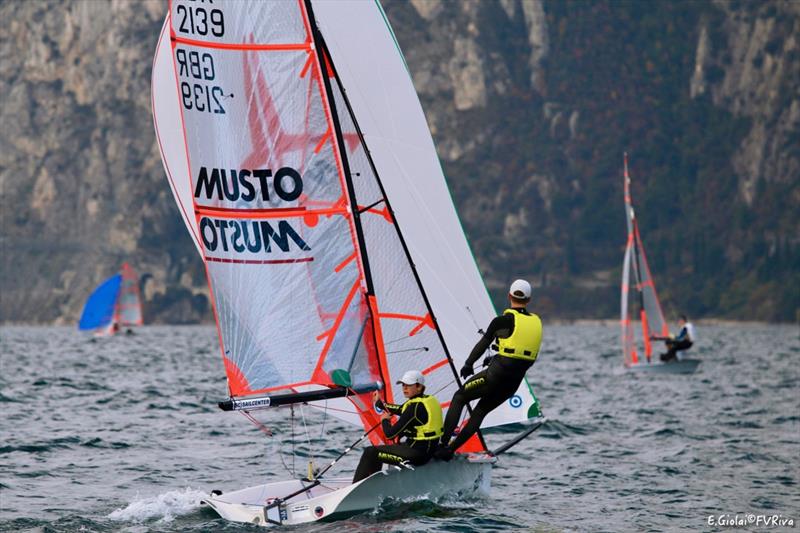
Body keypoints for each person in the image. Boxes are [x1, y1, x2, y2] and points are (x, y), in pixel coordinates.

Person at [435, 279, 542, 461]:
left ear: (509, 295)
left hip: (494, 376)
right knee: (480, 411)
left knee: (460, 397)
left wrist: (468, 364)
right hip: (512, 384)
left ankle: (442, 444)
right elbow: (520, 355)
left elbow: (484, 343)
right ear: (529, 300)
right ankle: (450, 450)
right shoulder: (536, 323)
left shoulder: (502, 321)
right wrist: (495, 357)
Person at [352, 370, 443, 483]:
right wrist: (380, 404)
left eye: (409, 385)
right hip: (427, 450)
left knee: (371, 452)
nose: (405, 388)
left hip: (417, 456)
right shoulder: (427, 400)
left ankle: (360, 486)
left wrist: (385, 421)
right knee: (384, 449)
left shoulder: (414, 408)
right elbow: (400, 410)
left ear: (419, 386)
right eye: (403, 385)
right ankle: (373, 482)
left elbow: (390, 434)